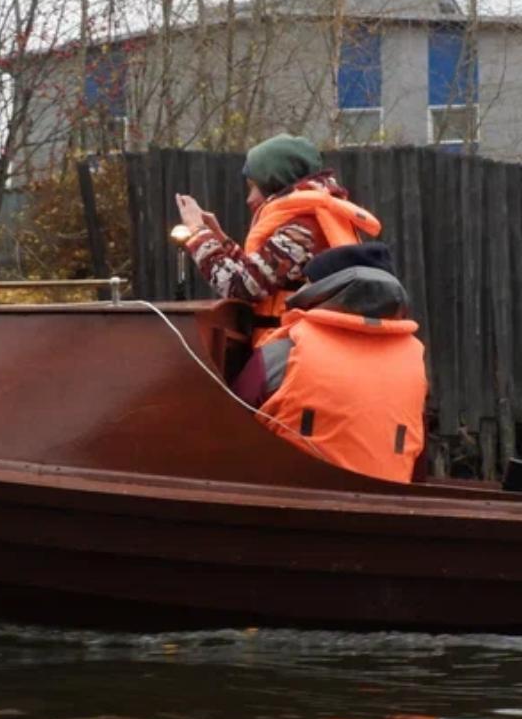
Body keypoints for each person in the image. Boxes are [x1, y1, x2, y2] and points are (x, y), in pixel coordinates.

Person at [232, 244, 427, 483]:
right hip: (388, 511)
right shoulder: (414, 362)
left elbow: (230, 428)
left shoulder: (284, 352)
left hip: (292, 509)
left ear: (319, 290)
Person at [174, 134, 382, 344]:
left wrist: (199, 233)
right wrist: (221, 239)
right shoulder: (312, 219)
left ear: (274, 182)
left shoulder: (305, 228)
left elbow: (243, 286)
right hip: (303, 345)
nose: (249, 199)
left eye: (253, 187)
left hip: (294, 351)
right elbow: (261, 273)